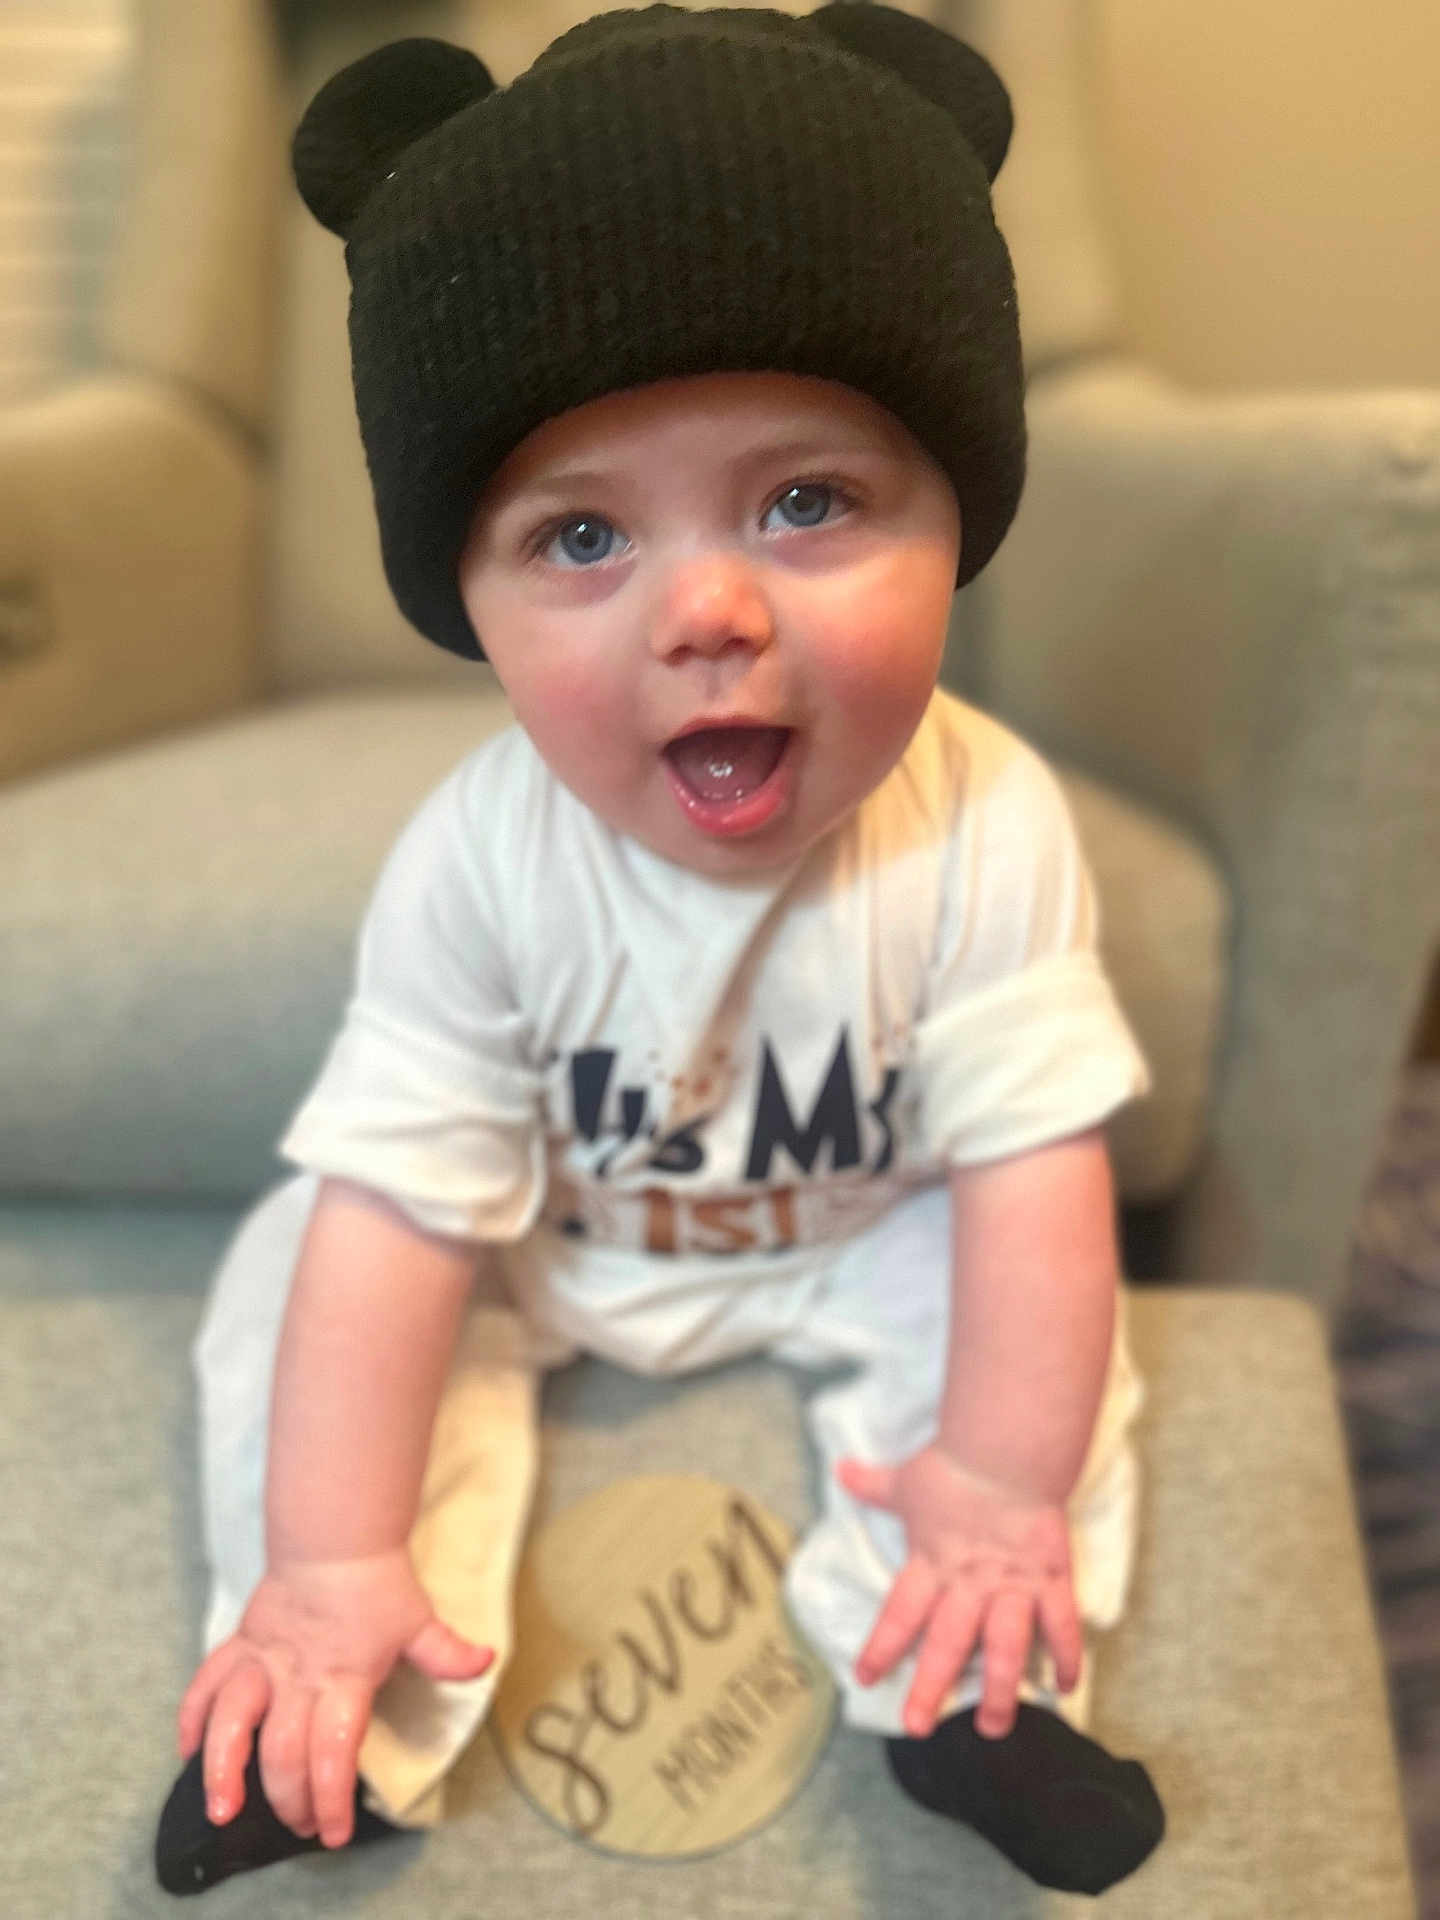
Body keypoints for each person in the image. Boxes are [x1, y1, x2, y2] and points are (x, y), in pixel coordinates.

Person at [153, 4, 1166, 1899]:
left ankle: (966, 1676)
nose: (708, 608)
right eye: (581, 536)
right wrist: (328, 1540)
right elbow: (403, 1217)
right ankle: (321, 1685)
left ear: (958, 519)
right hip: (549, 1239)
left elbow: (1029, 1168)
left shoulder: (987, 822)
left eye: (809, 503)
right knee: (298, 1280)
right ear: (466, 596)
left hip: (866, 1227)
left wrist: (1002, 1479)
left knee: (1053, 1329)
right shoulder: (478, 864)